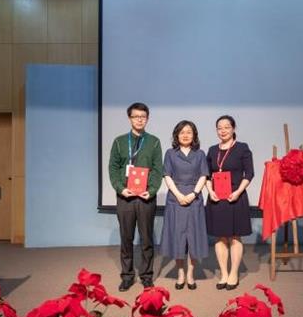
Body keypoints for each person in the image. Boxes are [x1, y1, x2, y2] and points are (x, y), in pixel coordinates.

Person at [108, 103, 163, 291]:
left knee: (146, 239)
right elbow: (113, 168)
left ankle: (146, 276)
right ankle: (127, 276)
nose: (139, 119)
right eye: (135, 116)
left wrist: (152, 190)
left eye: (143, 116)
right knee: (126, 238)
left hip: (146, 197)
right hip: (125, 197)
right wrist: (120, 188)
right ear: (129, 118)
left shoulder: (154, 142)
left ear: (147, 118)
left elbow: (157, 169)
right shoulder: (119, 141)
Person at [205, 115, 254, 291]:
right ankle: (224, 273)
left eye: (226, 127)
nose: (223, 130)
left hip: (235, 197)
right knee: (220, 236)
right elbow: (206, 175)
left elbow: (249, 173)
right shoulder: (212, 150)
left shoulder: (242, 148)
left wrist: (238, 192)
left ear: (233, 128)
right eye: (219, 128)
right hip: (216, 198)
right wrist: (210, 192)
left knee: (234, 236)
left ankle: (234, 273)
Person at [160, 120, 209, 290]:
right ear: (177, 135)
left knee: (193, 237)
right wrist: (179, 195)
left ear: (194, 135)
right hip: (176, 199)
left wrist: (194, 194)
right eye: (182, 132)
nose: (185, 135)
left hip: (194, 198)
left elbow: (203, 175)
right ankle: (180, 273)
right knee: (178, 237)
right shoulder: (170, 153)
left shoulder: (200, 154)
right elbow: (167, 176)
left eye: (189, 132)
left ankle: (191, 274)